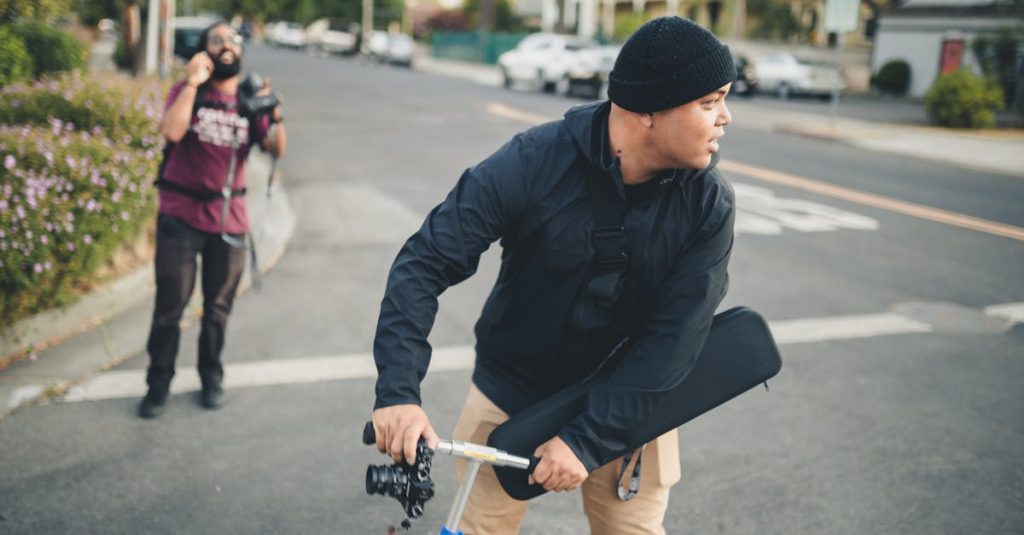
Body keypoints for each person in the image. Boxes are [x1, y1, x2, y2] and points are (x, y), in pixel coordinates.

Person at [370, 16, 736, 534]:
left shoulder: (708, 203)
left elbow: (675, 339)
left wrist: (587, 439)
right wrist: (398, 394)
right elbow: (424, 262)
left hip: (631, 409)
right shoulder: (533, 161)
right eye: (709, 101)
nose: (725, 117)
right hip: (511, 394)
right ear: (648, 109)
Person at [138, 21, 287, 419]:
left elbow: (275, 148)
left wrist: (274, 110)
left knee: (218, 310)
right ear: (204, 52)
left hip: (229, 221)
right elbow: (171, 131)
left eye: (231, 40)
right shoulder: (191, 91)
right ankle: (158, 383)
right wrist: (190, 83)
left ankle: (211, 377)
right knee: (170, 307)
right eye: (215, 40)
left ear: (240, 51)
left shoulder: (248, 99)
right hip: (181, 217)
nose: (225, 45)